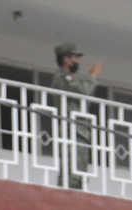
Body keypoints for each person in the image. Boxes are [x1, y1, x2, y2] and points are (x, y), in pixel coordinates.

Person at [47, 42, 103, 188]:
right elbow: (84, 90)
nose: (77, 61)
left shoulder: (69, 77)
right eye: (75, 58)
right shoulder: (63, 77)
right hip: (70, 128)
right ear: (66, 59)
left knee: (80, 171)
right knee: (71, 170)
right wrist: (93, 76)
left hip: (78, 128)